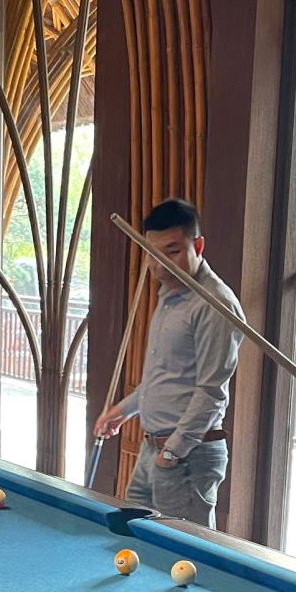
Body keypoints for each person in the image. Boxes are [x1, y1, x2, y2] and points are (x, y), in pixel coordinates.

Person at [93, 199, 244, 527]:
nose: (159, 264)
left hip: (186, 457)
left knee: (180, 551)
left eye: (172, 252)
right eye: (151, 253)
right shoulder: (171, 294)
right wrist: (121, 411)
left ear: (198, 246)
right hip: (153, 450)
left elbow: (211, 393)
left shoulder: (214, 303)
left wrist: (171, 454)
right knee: (129, 535)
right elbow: (166, 378)